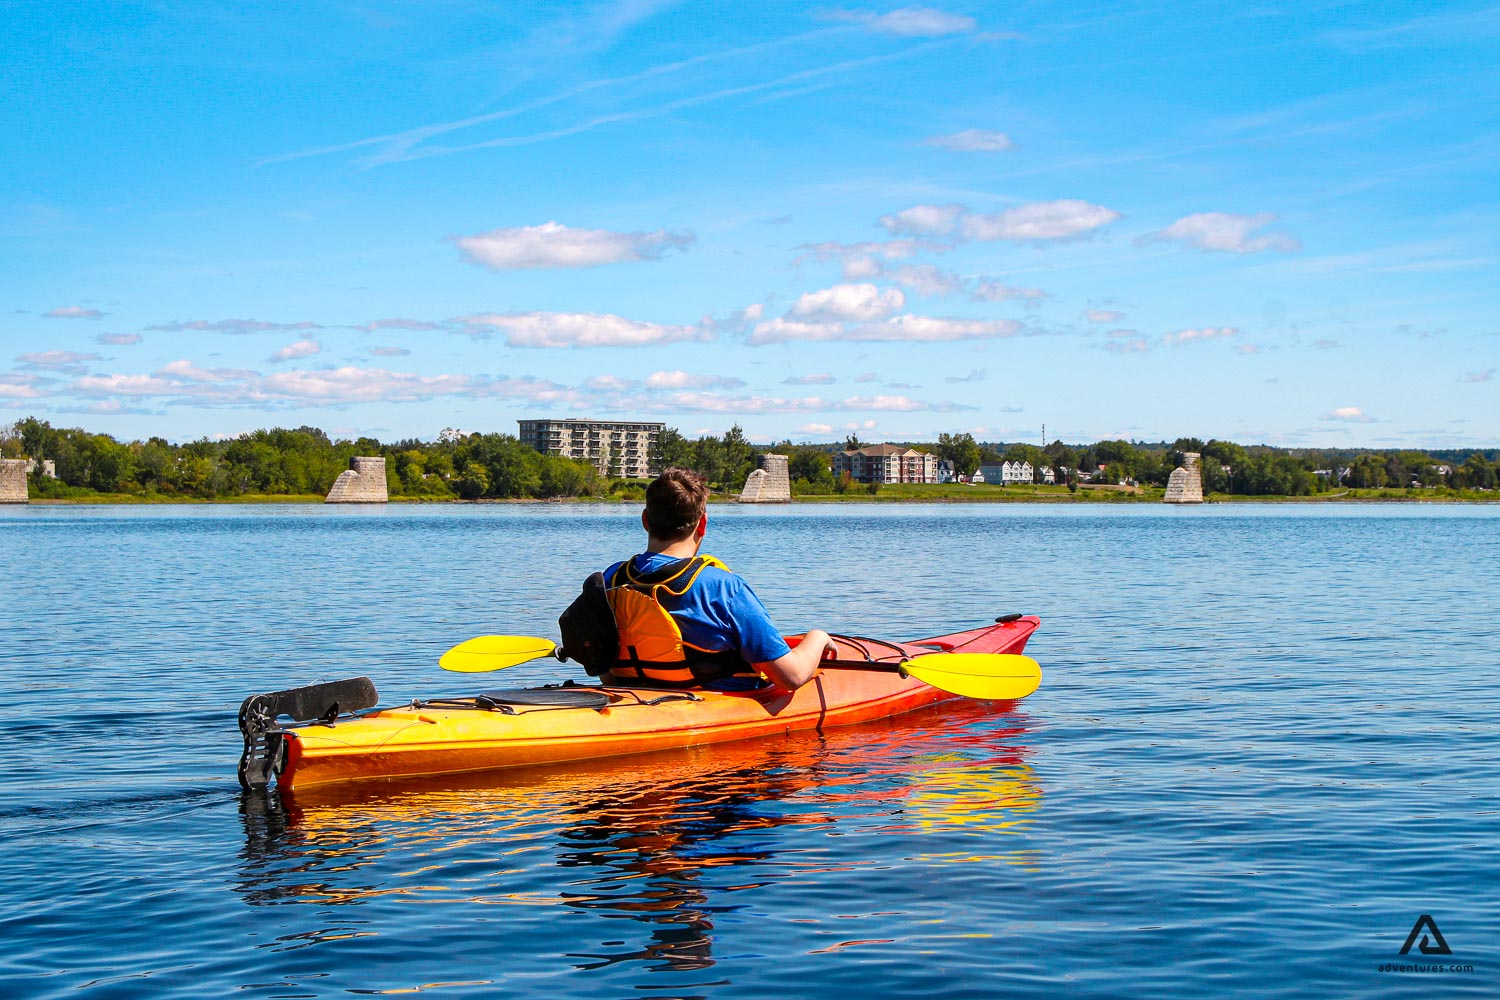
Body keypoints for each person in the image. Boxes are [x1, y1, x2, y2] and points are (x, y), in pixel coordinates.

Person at [597, 466, 834, 691]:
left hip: (634, 699)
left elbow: (604, 669)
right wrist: (818, 637)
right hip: (712, 706)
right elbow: (791, 677)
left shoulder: (610, 579)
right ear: (702, 524)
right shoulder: (723, 588)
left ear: (645, 520)